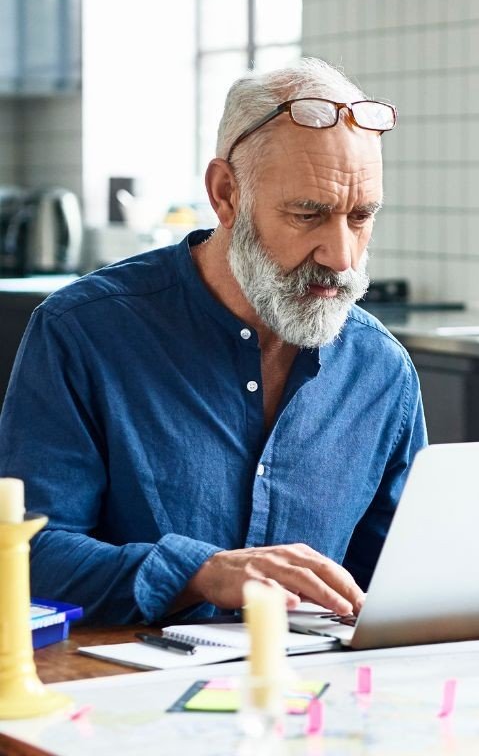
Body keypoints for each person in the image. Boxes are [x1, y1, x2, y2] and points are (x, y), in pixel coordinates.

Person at [0, 58, 426, 624]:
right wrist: (198, 573)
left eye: (361, 216)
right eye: (308, 214)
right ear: (226, 193)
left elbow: (404, 579)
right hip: (117, 696)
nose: (341, 256)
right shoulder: (83, 332)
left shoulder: (381, 370)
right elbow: (26, 555)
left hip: (314, 698)